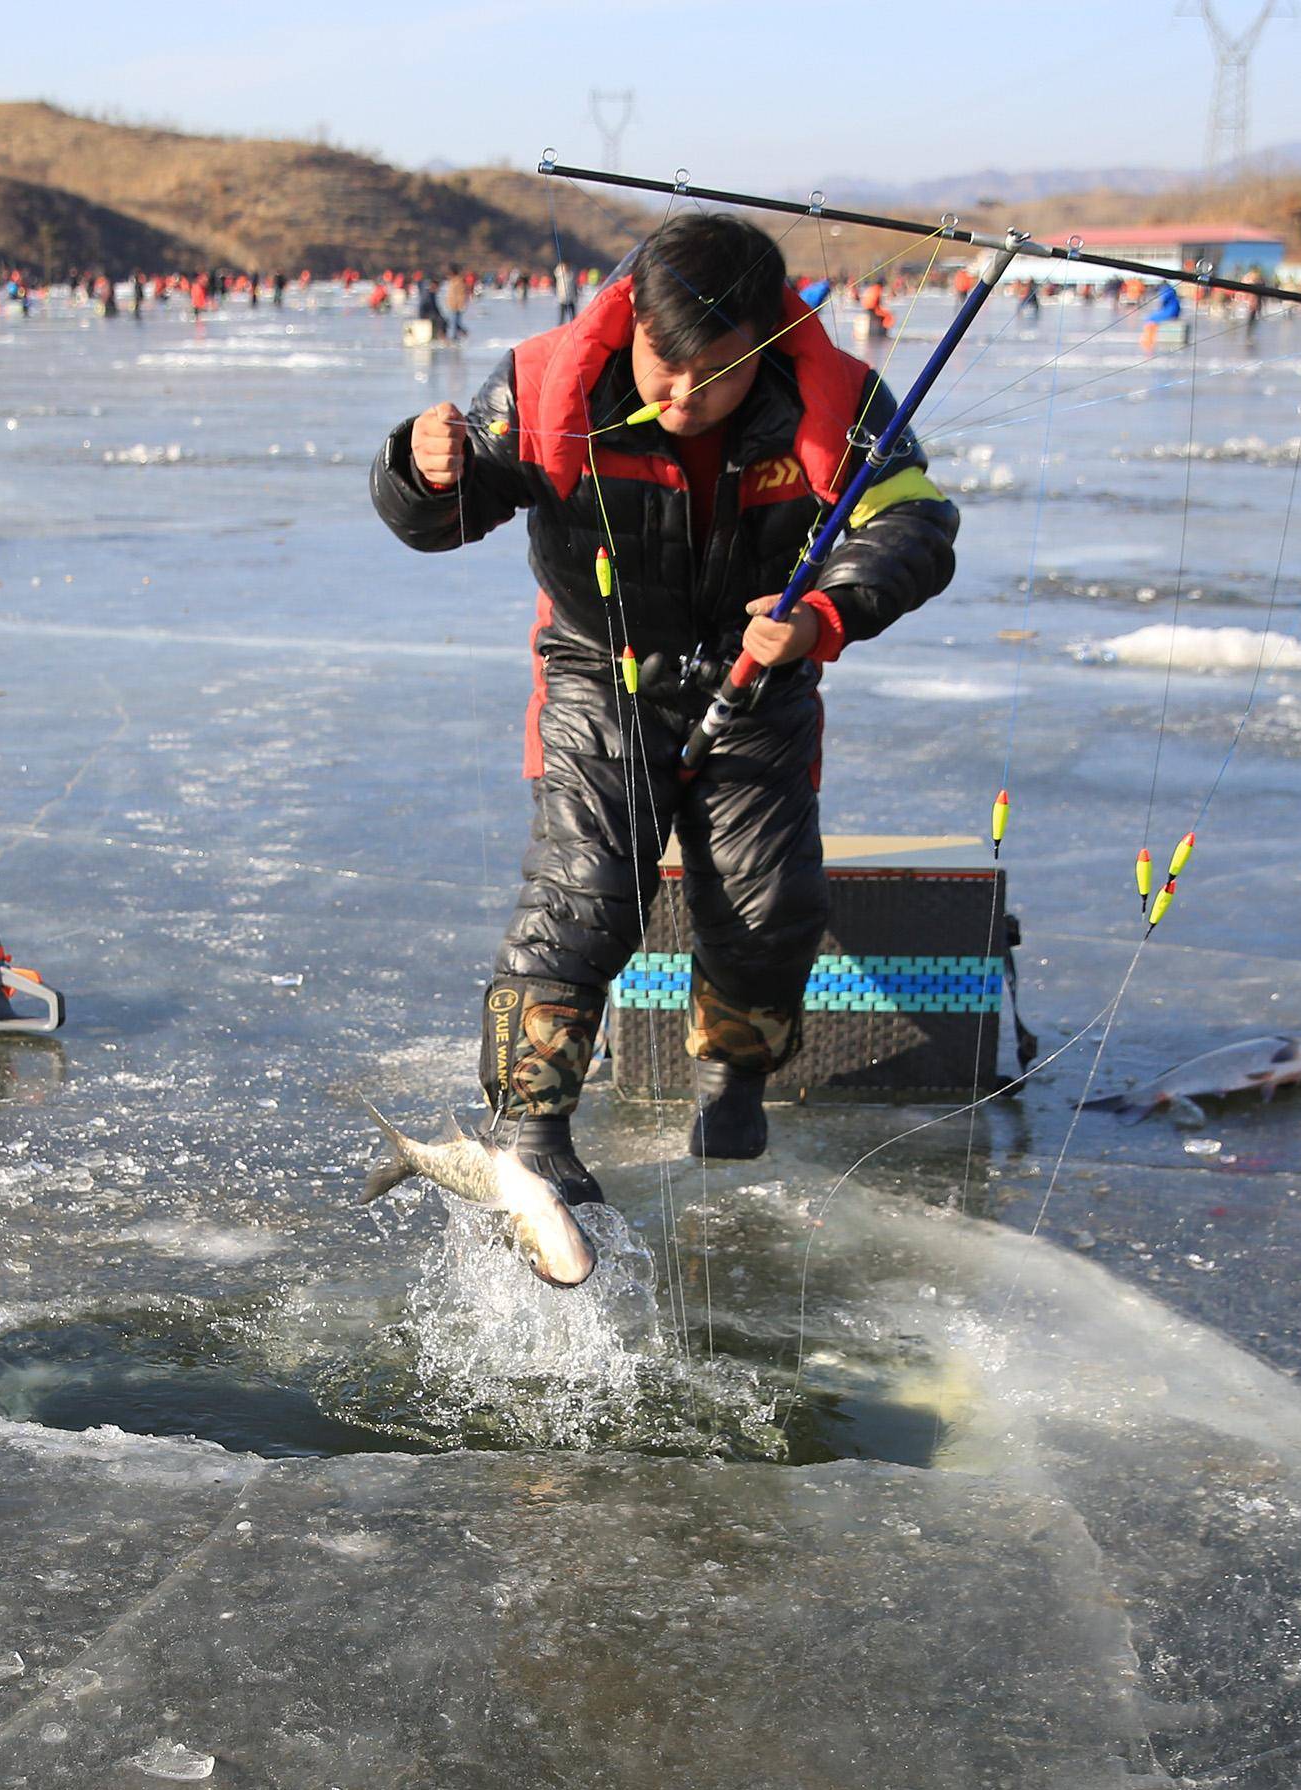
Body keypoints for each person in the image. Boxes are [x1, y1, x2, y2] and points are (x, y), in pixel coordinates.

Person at [368, 212, 961, 1199]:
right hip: (601, 672)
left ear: (768, 339)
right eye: (665, 366)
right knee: (584, 893)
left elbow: (914, 524)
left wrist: (823, 617)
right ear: (634, 321)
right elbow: (442, 515)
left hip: (756, 679)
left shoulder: (837, 399)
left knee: (768, 903)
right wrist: (421, 468)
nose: (685, 395)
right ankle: (531, 1123)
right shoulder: (545, 382)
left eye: (719, 373)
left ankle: (734, 1074)